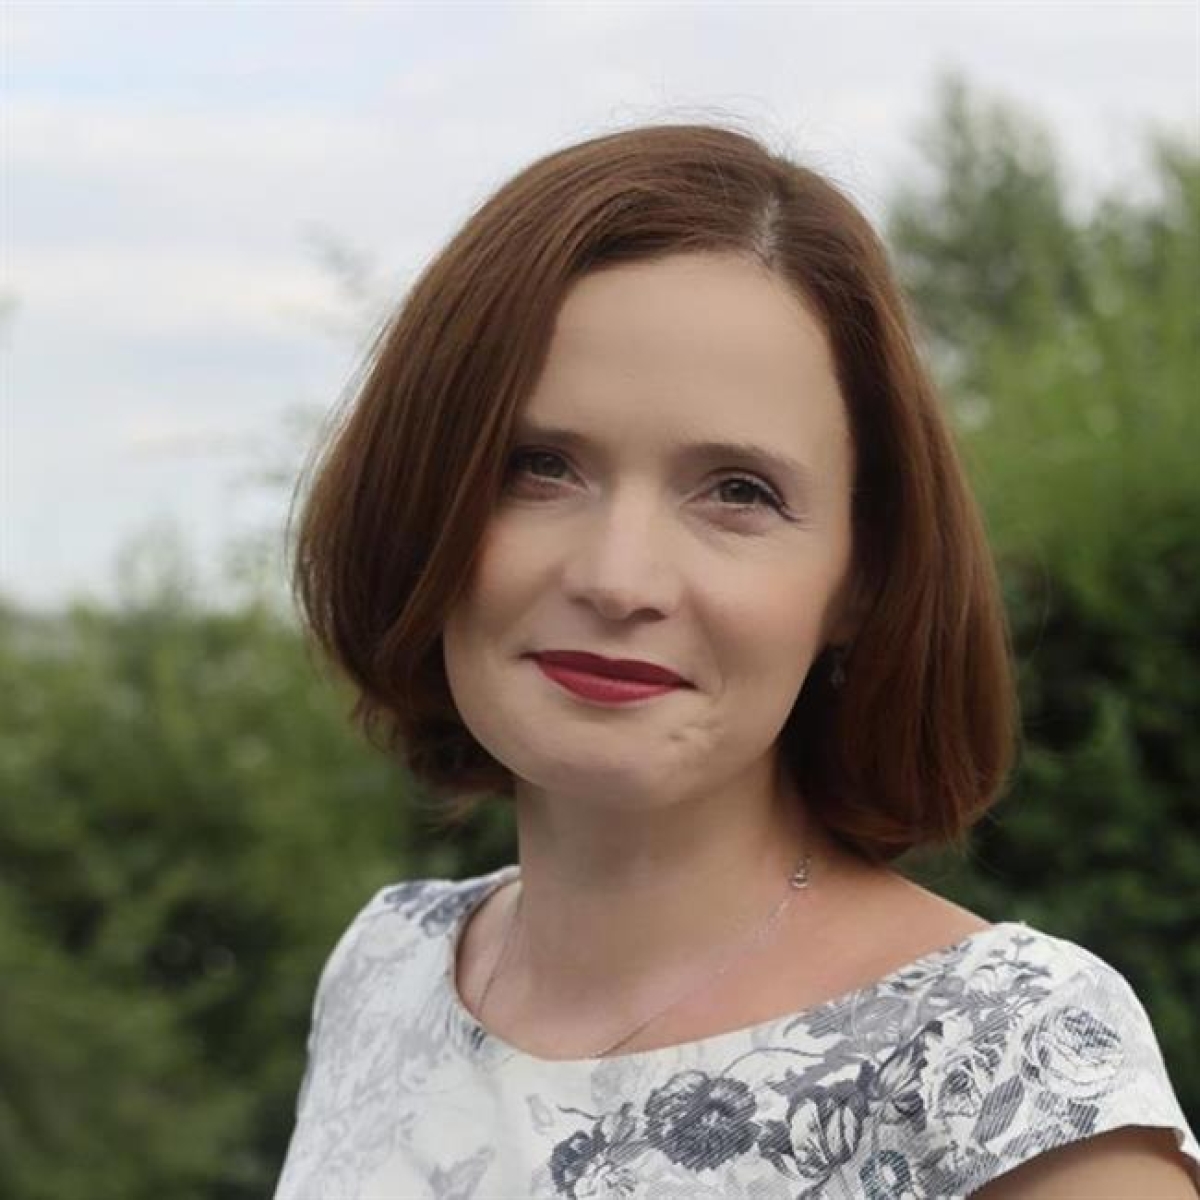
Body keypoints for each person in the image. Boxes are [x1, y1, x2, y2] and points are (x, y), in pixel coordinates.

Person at [274, 124, 1199, 1199]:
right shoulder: (386, 968)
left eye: (738, 492)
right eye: (538, 467)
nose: (619, 578)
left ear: (863, 576)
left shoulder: (1004, 1068)